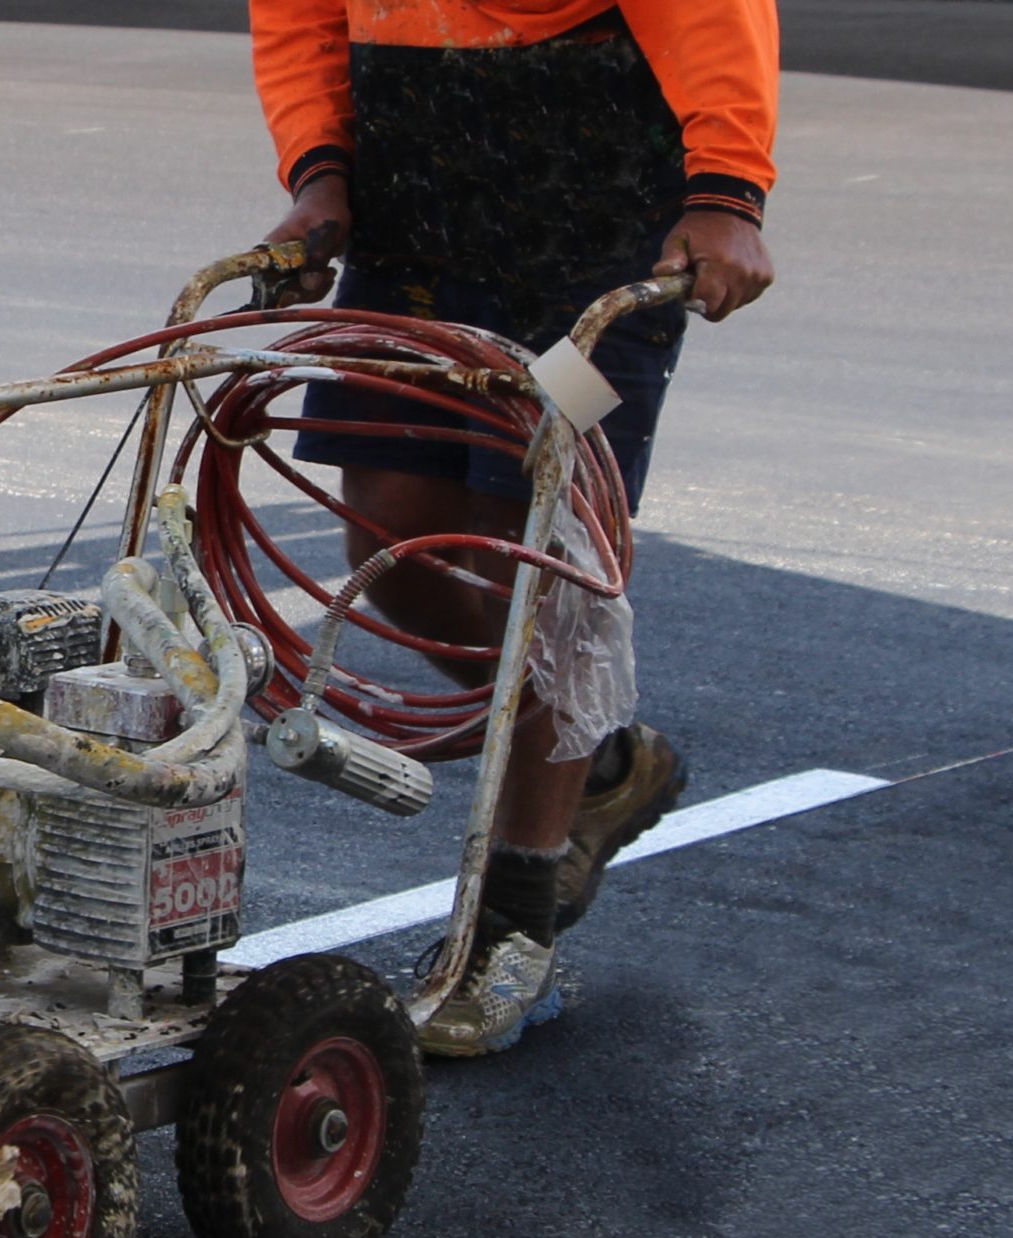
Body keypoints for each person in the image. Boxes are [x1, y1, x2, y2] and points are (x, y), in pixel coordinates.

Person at [249, 0, 779, 1055]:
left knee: (541, 563)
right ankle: (604, 756)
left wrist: (727, 189)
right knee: (389, 541)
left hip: (587, 224)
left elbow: (714, 13)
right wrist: (320, 178)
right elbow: (302, 19)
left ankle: (511, 923)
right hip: (416, 226)